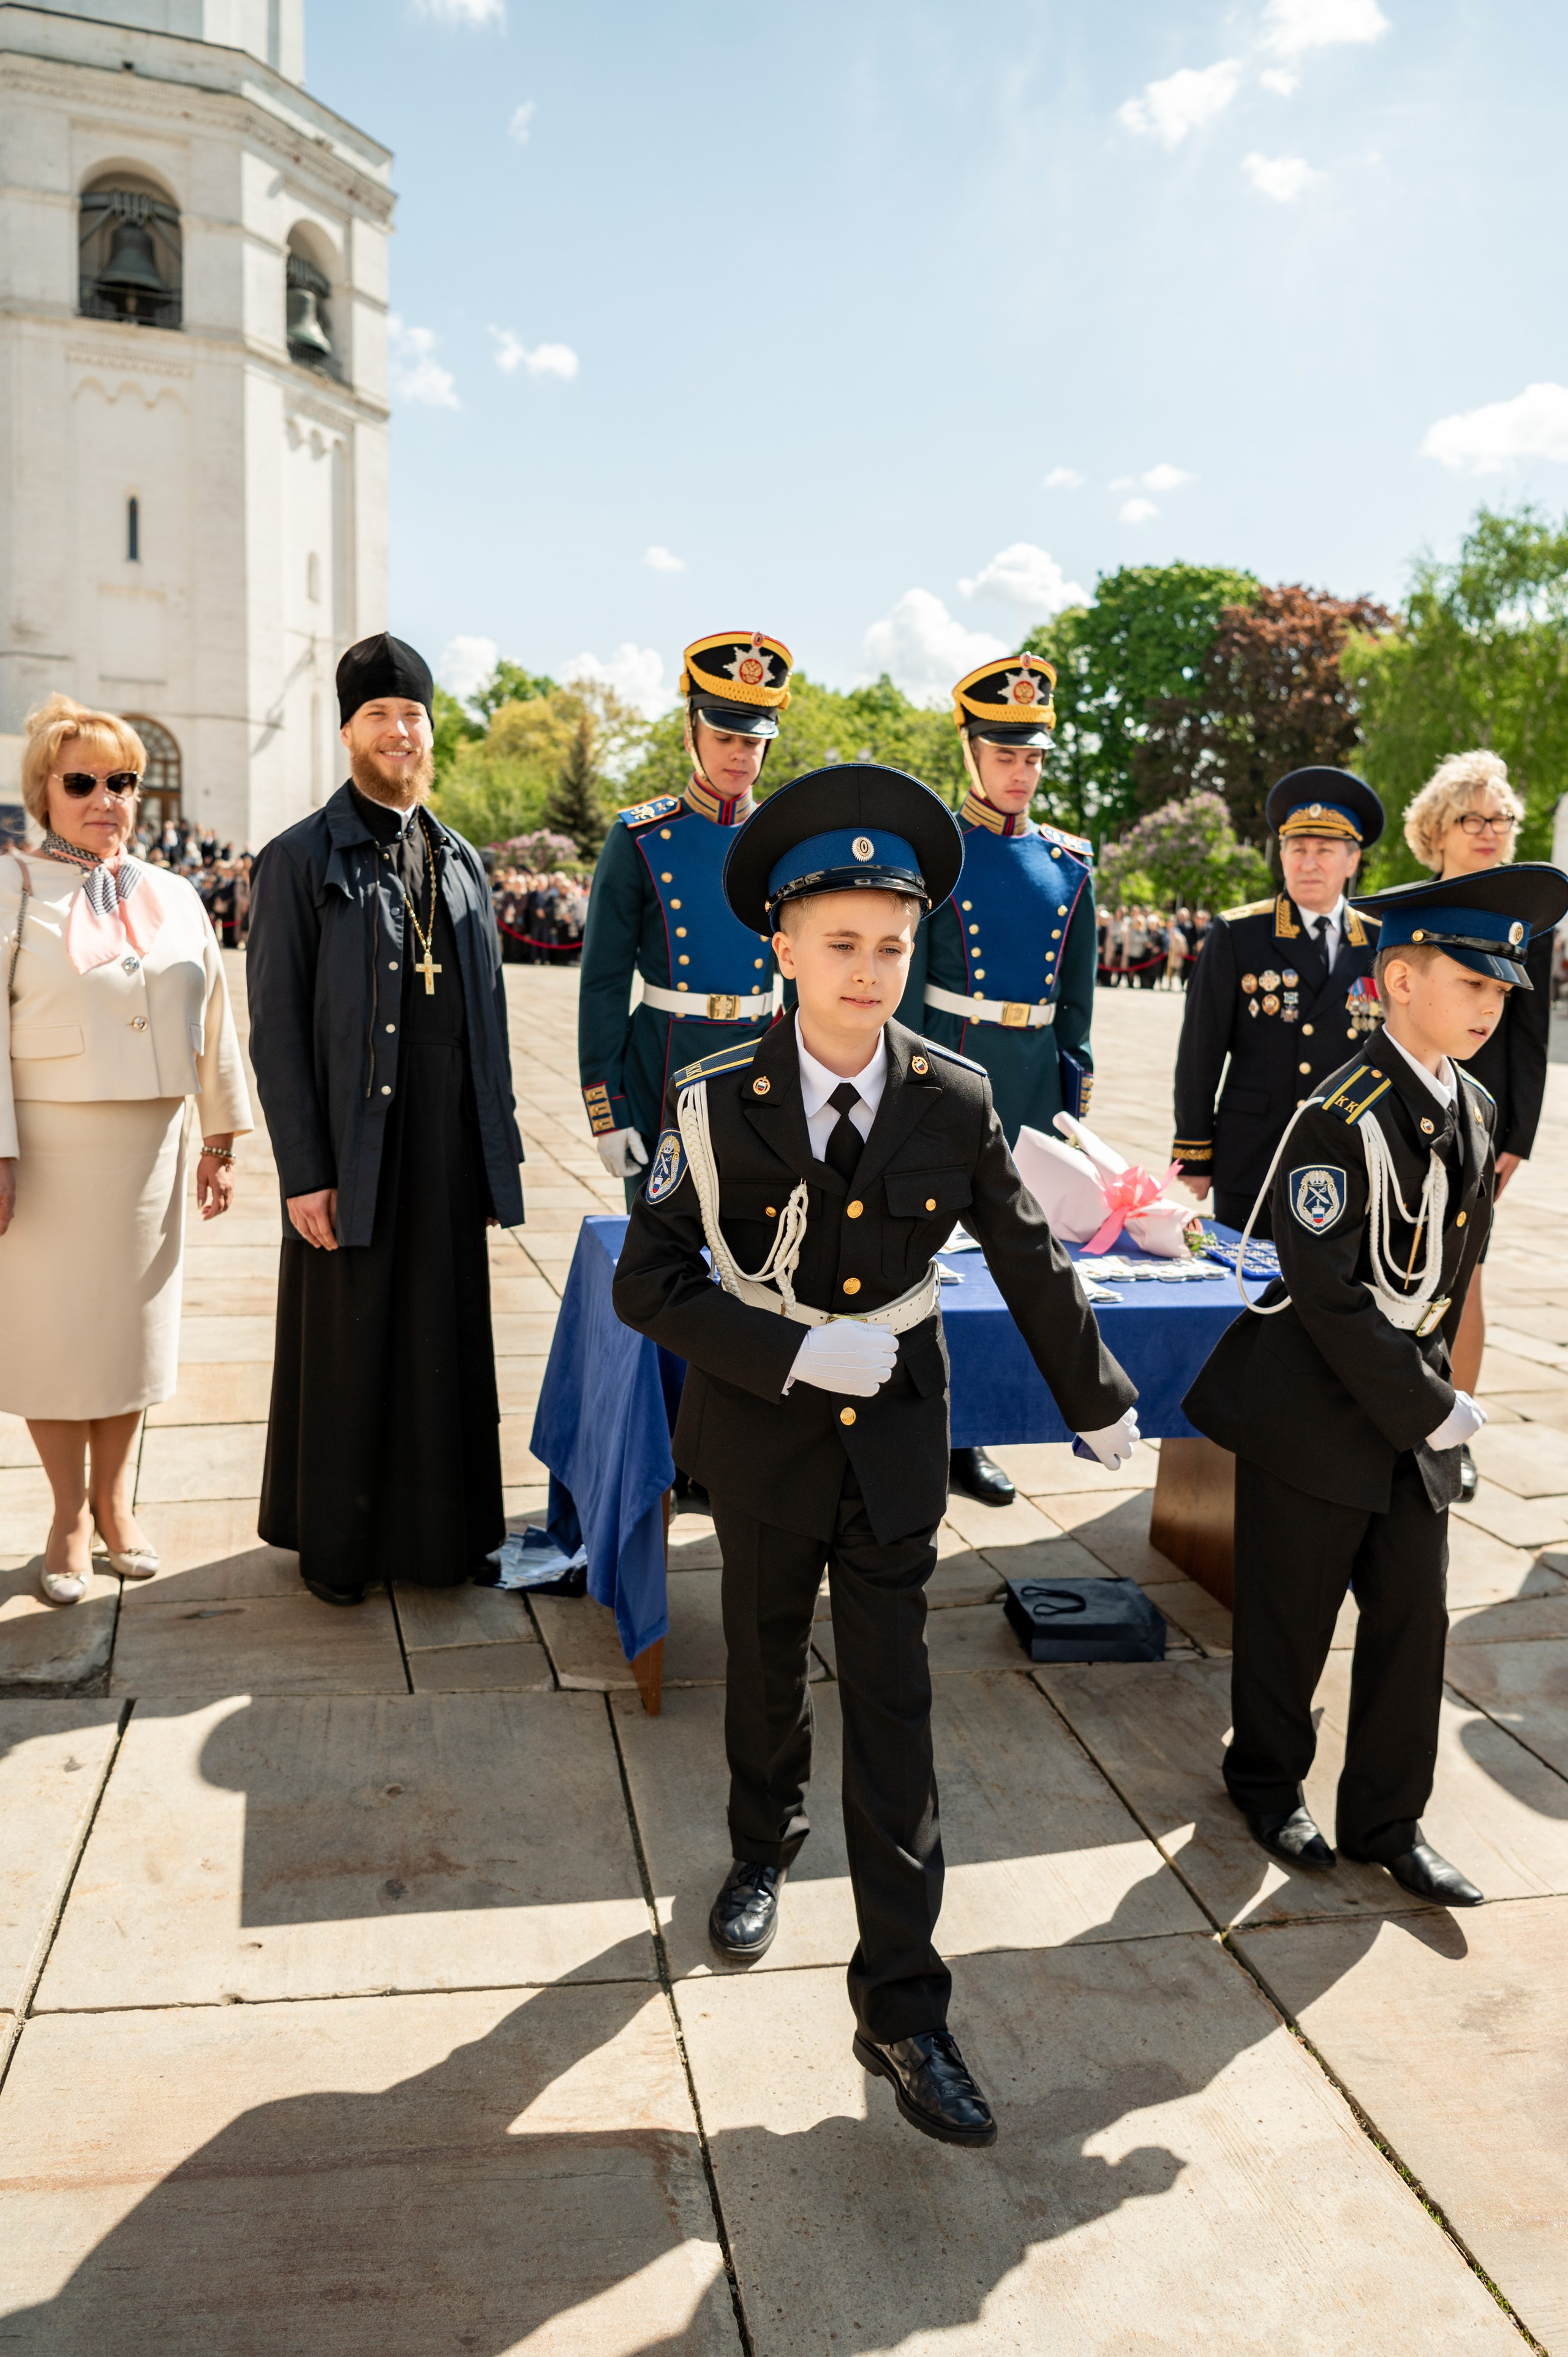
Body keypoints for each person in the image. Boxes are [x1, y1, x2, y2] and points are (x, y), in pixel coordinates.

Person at [612, 765, 1139, 2147]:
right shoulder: (714, 1098)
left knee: (897, 1716)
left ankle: (902, 2007)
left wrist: (1094, 1394)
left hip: (898, 1434)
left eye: (890, 947)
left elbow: (1026, 1252)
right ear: (779, 948)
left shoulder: (951, 1096)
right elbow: (647, 1286)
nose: (866, 971)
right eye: (838, 943)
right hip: (767, 1433)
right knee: (769, 1660)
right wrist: (786, 1352)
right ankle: (756, 1844)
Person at [1184, 860, 1568, 1905]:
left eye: (1501, 993)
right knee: (1289, 1618)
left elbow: (1451, 1274)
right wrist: (1430, 1404)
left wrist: (1441, 1404)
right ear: (1399, 980)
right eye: (1469, 984)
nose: (1490, 1008)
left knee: (1413, 1620)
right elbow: (1324, 1291)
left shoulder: (1478, 1108)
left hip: (1410, 1416)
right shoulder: (1338, 1112)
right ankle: (1265, 1783)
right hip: (1316, 1415)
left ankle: (1390, 1820)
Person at [247, 634, 525, 1606]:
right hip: (355, 1144)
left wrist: (497, 1153)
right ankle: (342, 1546)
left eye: (412, 716)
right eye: (379, 717)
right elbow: (276, 1031)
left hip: (447, 1144)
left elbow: (488, 1021)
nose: (399, 732)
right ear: (347, 732)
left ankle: (441, 1536)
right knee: (353, 1341)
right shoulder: (295, 858)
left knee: (444, 1336)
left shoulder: (461, 861)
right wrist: (302, 1169)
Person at [0, 695, 250, 1605]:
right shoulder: (13, 884)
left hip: (149, 1148)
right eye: (83, 782)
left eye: (123, 782)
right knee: (55, 1335)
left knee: (130, 1334)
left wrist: (219, 1133)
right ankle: (67, 1512)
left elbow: (215, 1013)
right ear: (45, 792)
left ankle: (116, 1501)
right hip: (46, 1149)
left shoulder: (174, 892)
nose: (106, 797)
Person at [900, 650, 1098, 1505]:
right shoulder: (936, 849)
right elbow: (908, 982)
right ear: (973, 752)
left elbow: (1078, 999)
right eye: (1005, 754)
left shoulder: (1071, 861)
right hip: (952, 1062)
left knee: (1007, 1259)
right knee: (925, 1253)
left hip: (1030, 1081)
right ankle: (912, 1422)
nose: (1021, 773)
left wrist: (1070, 1098)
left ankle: (970, 1435)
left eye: (1034, 757)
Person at [578, 632, 792, 1208]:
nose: (740, 756)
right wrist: (607, 1109)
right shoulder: (641, 838)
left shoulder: (784, 841)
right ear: (690, 729)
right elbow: (602, 982)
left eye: (754, 741)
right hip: (665, 1069)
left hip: (759, 1067)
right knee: (662, 1262)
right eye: (724, 736)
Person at [1402, 752, 1550, 1500]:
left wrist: (1517, 1137)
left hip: (1478, 1124)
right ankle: (1397, 1414)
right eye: (1475, 818)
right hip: (1401, 1107)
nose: (1492, 831)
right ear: (1438, 829)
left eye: (1502, 819)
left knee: (1466, 1278)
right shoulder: (1405, 909)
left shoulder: (1526, 917)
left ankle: (1453, 1437)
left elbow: (1530, 1041)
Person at [1172, 768, 1385, 1238]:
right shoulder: (1238, 934)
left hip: (1349, 1154)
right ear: (1282, 855)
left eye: (1325, 851)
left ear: (1352, 861)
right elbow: (1200, 1050)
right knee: (1245, 1295)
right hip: (1254, 1154)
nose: (1309, 864)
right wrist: (1193, 1149)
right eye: (1298, 849)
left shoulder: (1379, 942)